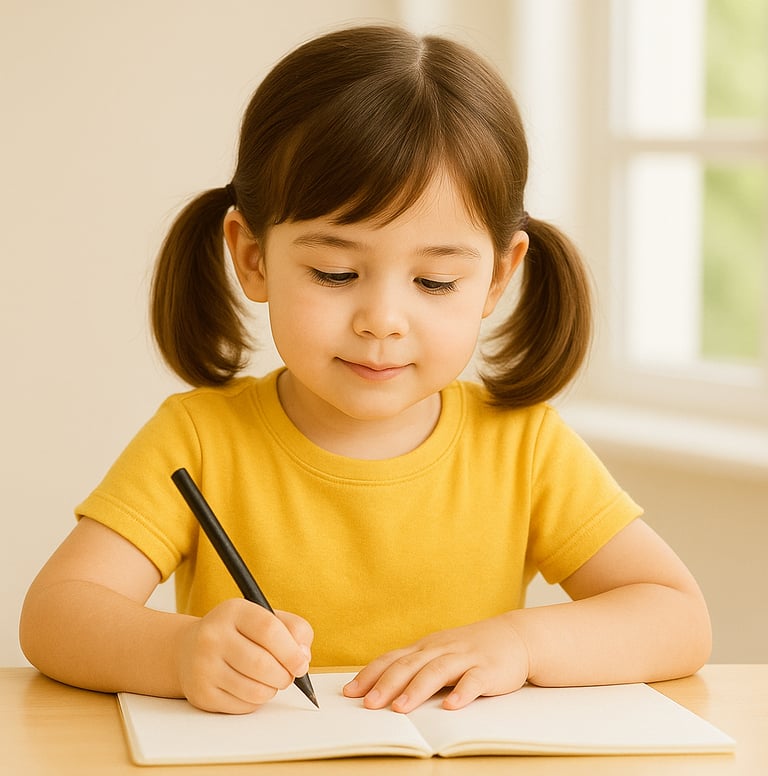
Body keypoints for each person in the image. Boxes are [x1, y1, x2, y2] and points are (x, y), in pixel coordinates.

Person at [19, 24, 711, 716]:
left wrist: (522, 643)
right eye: (335, 272)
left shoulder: (524, 447)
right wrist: (178, 652)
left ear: (498, 278)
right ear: (253, 258)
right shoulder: (197, 439)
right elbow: (55, 614)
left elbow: (678, 618)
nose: (382, 320)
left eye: (435, 282)